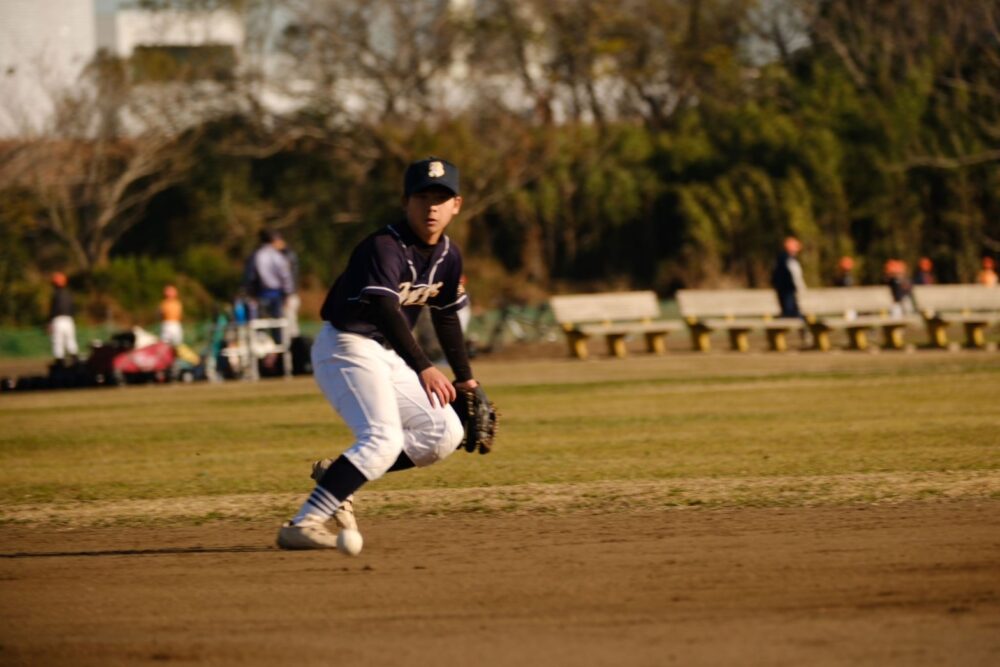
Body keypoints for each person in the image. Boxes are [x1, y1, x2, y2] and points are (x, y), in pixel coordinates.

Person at [277, 157, 478, 550]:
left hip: (384, 353)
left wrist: (466, 377)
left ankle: (338, 475)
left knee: (444, 433)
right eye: (423, 197)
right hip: (345, 345)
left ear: (457, 205)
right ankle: (303, 523)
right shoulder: (384, 247)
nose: (432, 207)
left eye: (442, 197)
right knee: (382, 438)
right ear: (405, 202)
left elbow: (448, 315)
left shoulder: (449, 257)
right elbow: (386, 311)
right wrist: (424, 366)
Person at [273, 233, 301, 338]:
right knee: (289, 324)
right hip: (290, 295)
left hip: (289, 296)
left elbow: (288, 279)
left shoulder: (286, 257)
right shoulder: (286, 255)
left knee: (289, 325)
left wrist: (287, 295)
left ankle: (293, 350)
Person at [771, 236, 807, 317]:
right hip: (786, 289)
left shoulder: (790, 259)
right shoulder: (784, 259)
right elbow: (793, 275)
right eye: (795, 246)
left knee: (793, 311)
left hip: (789, 289)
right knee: (790, 312)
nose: (798, 248)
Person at [48, 272, 78, 365]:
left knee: (58, 342)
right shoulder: (69, 294)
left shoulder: (56, 294)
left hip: (58, 320)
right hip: (69, 320)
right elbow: (73, 308)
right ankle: (75, 361)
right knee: (71, 340)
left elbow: (53, 309)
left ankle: (59, 363)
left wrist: (49, 322)